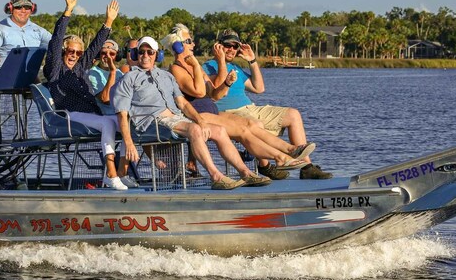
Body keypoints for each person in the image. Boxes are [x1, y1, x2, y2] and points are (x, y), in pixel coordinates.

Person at [112, 36, 271, 190]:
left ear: (157, 55)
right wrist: (129, 142)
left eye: (150, 52)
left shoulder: (167, 76)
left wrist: (200, 120)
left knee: (219, 130)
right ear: (135, 54)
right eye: (141, 52)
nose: (145, 56)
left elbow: (182, 103)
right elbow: (122, 113)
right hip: (149, 123)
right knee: (194, 130)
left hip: (174, 119)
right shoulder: (129, 78)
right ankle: (216, 176)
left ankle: (246, 173)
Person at [160, 24, 310, 180]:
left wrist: (226, 84)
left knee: (250, 126)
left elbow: (214, 94)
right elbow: (199, 91)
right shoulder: (178, 69)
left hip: (212, 111)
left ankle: (289, 150)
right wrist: (197, 66)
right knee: (244, 131)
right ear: (177, 45)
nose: (193, 44)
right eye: (189, 41)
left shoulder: (193, 66)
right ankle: (279, 158)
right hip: (198, 114)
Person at [204, 29, 332, 180]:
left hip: (250, 108)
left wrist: (252, 61)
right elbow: (217, 91)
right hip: (230, 112)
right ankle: (265, 165)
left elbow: (259, 88)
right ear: (218, 46)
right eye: (227, 45)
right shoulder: (208, 66)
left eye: (235, 46)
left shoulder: (236, 68)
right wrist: (220, 61)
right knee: (256, 124)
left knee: (293, 114)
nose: (231, 49)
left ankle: (306, 166)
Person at [43, 0, 134, 190]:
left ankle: (122, 172)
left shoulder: (80, 67)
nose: (74, 54)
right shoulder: (55, 69)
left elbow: (95, 47)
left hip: (91, 114)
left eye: (78, 52)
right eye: (70, 50)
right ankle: (111, 175)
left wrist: (108, 22)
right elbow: (55, 41)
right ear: (64, 51)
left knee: (128, 123)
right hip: (68, 115)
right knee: (108, 125)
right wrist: (67, 12)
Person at [0, 0, 52, 70]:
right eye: (19, 7)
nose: (23, 11)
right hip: (4, 77)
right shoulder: (0, 29)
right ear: (10, 8)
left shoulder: (38, 30)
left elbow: (55, 42)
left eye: (27, 7)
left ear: (32, 9)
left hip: (29, 77)